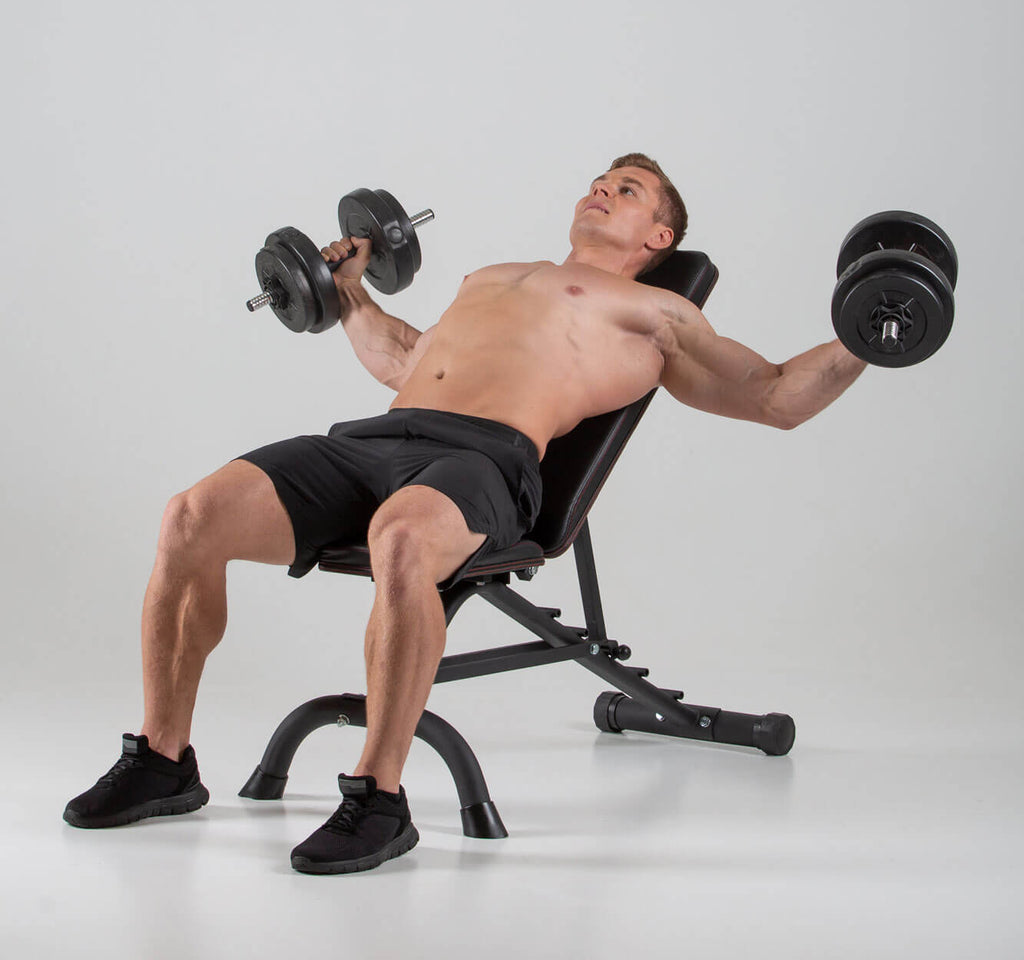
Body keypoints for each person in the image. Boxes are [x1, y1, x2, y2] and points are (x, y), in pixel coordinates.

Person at [63, 152, 867, 873]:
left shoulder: (660, 314)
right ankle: (163, 761)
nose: (600, 190)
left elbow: (773, 395)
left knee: (403, 540)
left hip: (482, 460)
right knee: (188, 519)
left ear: (658, 237)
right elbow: (402, 360)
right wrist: (345, 292)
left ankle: (378, 800)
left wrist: (870, 331)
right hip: (373, 442)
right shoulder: (491, 277)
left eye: (627, 190)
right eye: (598, 179)